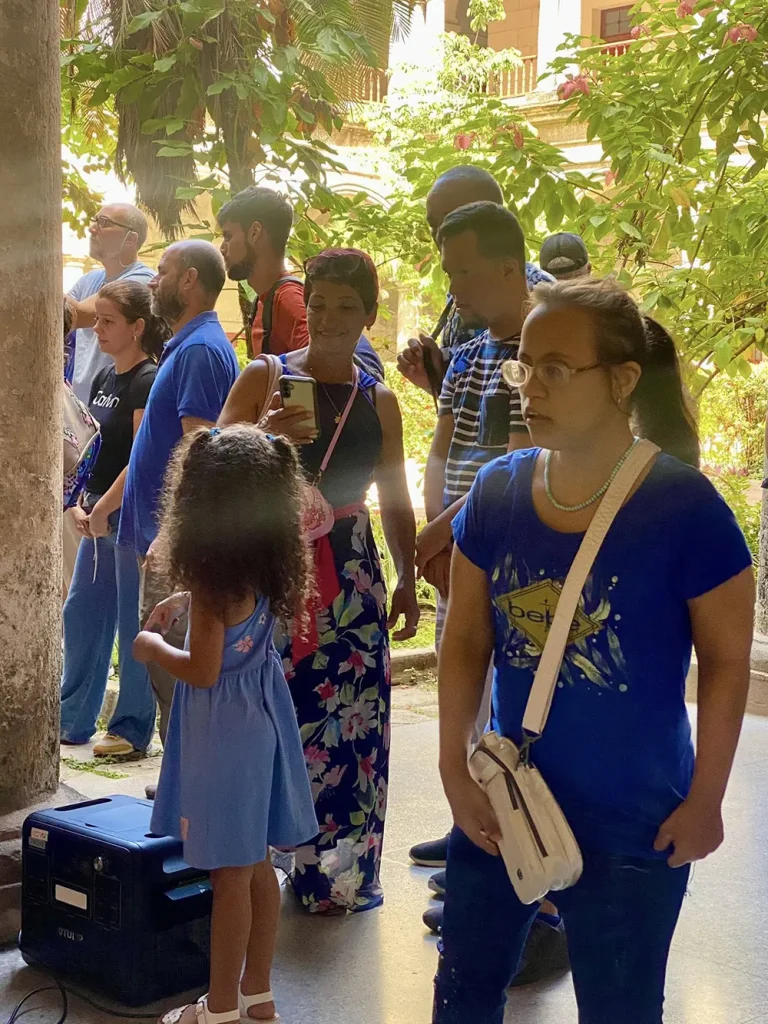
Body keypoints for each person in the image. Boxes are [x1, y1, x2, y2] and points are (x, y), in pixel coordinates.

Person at [434, 278, 754, 1024]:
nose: (530, 386)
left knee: (619, 1009)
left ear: (623, 379)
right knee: (463, 998)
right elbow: (467, 638)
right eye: (524, 364)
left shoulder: (685, 507)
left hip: (635, 822)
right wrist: (453, 765)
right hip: (504, 800)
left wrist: (706, 798)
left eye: (556, 368)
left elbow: (728, 660)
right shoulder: (497, 492)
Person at [218, 248, 420, 913]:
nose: (331, 319)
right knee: (271, 717)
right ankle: (253, 863)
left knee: (350, 726)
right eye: (321, 304)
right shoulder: (264, 376)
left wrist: (408, 578)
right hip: (274, 567)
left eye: (348, 307)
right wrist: (260, 435)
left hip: (353, 572)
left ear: (369, 314)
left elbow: (394, 497)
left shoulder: (379, 399)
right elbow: (210, 468)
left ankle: (338, 876)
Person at [134, 425, 318, 1024]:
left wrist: (150, 645)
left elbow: (204, 669)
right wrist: (186, 599)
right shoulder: (264, 565)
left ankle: (217, 1009)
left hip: (223, 730)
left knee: (227, 875)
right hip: (261, 717)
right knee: (258, 862)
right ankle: (258, 992)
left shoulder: (216, 585)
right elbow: (237, 628)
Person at [117, 241, 240, 743]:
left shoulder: (200, 351)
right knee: (165, 666)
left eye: (161, 272)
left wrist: (172, 532)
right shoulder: (188, 345)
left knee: (176, 662)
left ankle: (190, 781)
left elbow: (200, 448)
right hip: (164, 533)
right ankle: (181, 777)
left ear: (189, 279)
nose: (152, 281)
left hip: (178, 540)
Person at [60, 281, 169, 756]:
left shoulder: (147, 379)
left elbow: (143, 456)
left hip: (127, 514)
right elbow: (92, 447)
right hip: (96, 508)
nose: (97, 328)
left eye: (107, 321)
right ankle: (72, 718)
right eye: (96, 319)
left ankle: (131, 728)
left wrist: (106, 507)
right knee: (81, 612)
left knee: (131, 622)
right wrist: (79, 500)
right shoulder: (106, 377)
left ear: (137, 327)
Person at [396, 164, 553, 398]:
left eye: (455, 217)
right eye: (433, 224)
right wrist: (436, 377)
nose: (441, 233)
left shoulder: (542, 296)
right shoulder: (458, 291)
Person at [218, 185, 385, 379]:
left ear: (255, 232)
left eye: (229, 236)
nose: (222, 248)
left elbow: (336, 372)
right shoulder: (268, 299)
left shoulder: (288, 300)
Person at [67, 204, 154, 403]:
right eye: (95, 221)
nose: (92, 229)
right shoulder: (89, 279)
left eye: (104, 223)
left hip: (115, 404)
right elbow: (61, 317)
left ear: (131, 239)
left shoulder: (141, 280)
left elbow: (75, 315)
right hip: (82, 405)